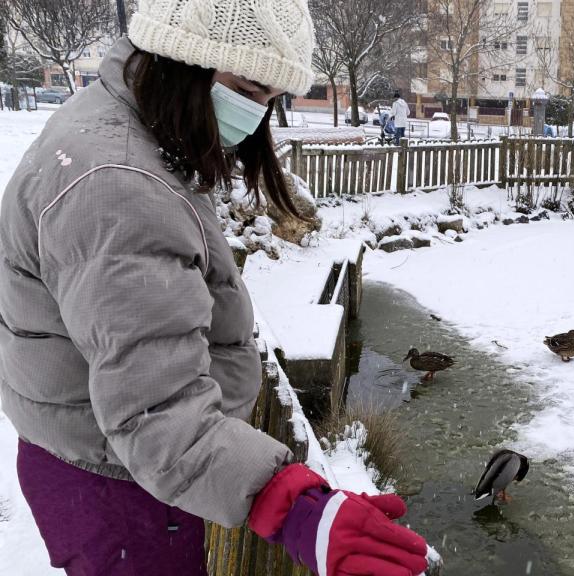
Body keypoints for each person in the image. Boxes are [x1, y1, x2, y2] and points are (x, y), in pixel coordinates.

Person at [0, 1, 428, 575]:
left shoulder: (127, 120)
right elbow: (156, 413)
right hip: (122, 487)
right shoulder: (119, 187)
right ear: (184, 58)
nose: (255, 116)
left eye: (271, 99)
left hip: (110, 464)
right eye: (248, 88)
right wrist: (294, 508)